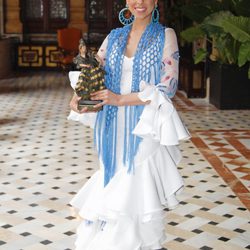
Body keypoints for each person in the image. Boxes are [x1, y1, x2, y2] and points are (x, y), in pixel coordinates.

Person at [68, 0, 190, 249]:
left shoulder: (165, 36)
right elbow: (93, 71)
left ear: (155, 1)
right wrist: (78, 96)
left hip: (143, 126)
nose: (140, 2)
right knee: (113, 180)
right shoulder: (113, 37)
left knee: (136, 183)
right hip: (111, 125)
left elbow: (168, 86)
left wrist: (120, 99)